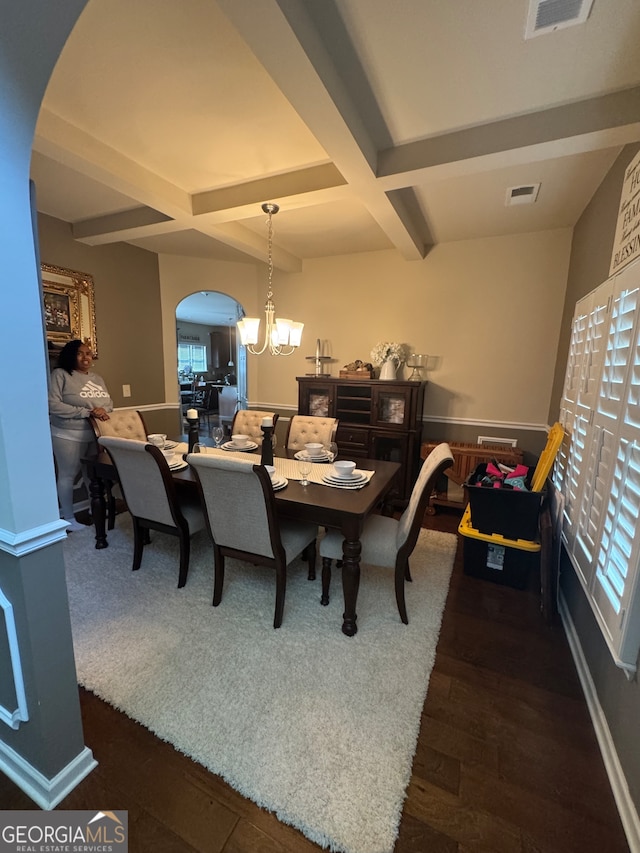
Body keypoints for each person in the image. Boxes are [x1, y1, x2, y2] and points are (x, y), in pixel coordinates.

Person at [48, 340, 113, 532]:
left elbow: (109, 402)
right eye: (80, 353)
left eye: (88, 353)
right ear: (70, 355)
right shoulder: (60, 375)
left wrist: (103, 409)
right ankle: (68, 519)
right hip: (67, 433)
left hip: (95, 433)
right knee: (67, 475)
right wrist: (86, 412)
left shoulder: (97, 378)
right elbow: (53, 404)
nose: (86, 357)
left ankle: (95, 509)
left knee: (91, 473)